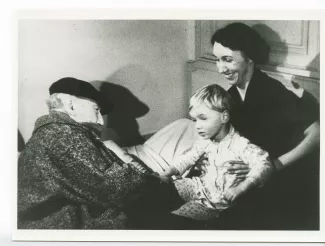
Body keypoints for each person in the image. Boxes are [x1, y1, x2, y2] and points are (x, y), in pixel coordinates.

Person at [17, 77, 179, 229]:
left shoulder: (53, 133)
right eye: (96, 110)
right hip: (58, 227)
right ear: (70, 106)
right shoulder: (63, 135)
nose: (101, 121)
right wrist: (162, 184)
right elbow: (117, 187)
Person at [159, 84, 274, 221]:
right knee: (160, 192)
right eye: (194, 120)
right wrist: (168, 172)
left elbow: (265, 164)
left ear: (224, 117)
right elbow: (188, 157)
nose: (197, 126)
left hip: (214, 204)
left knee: (174, 221)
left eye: (203, 118)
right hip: (198, 186)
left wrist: (242, 187)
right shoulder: (205, 140)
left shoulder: (240, 145)